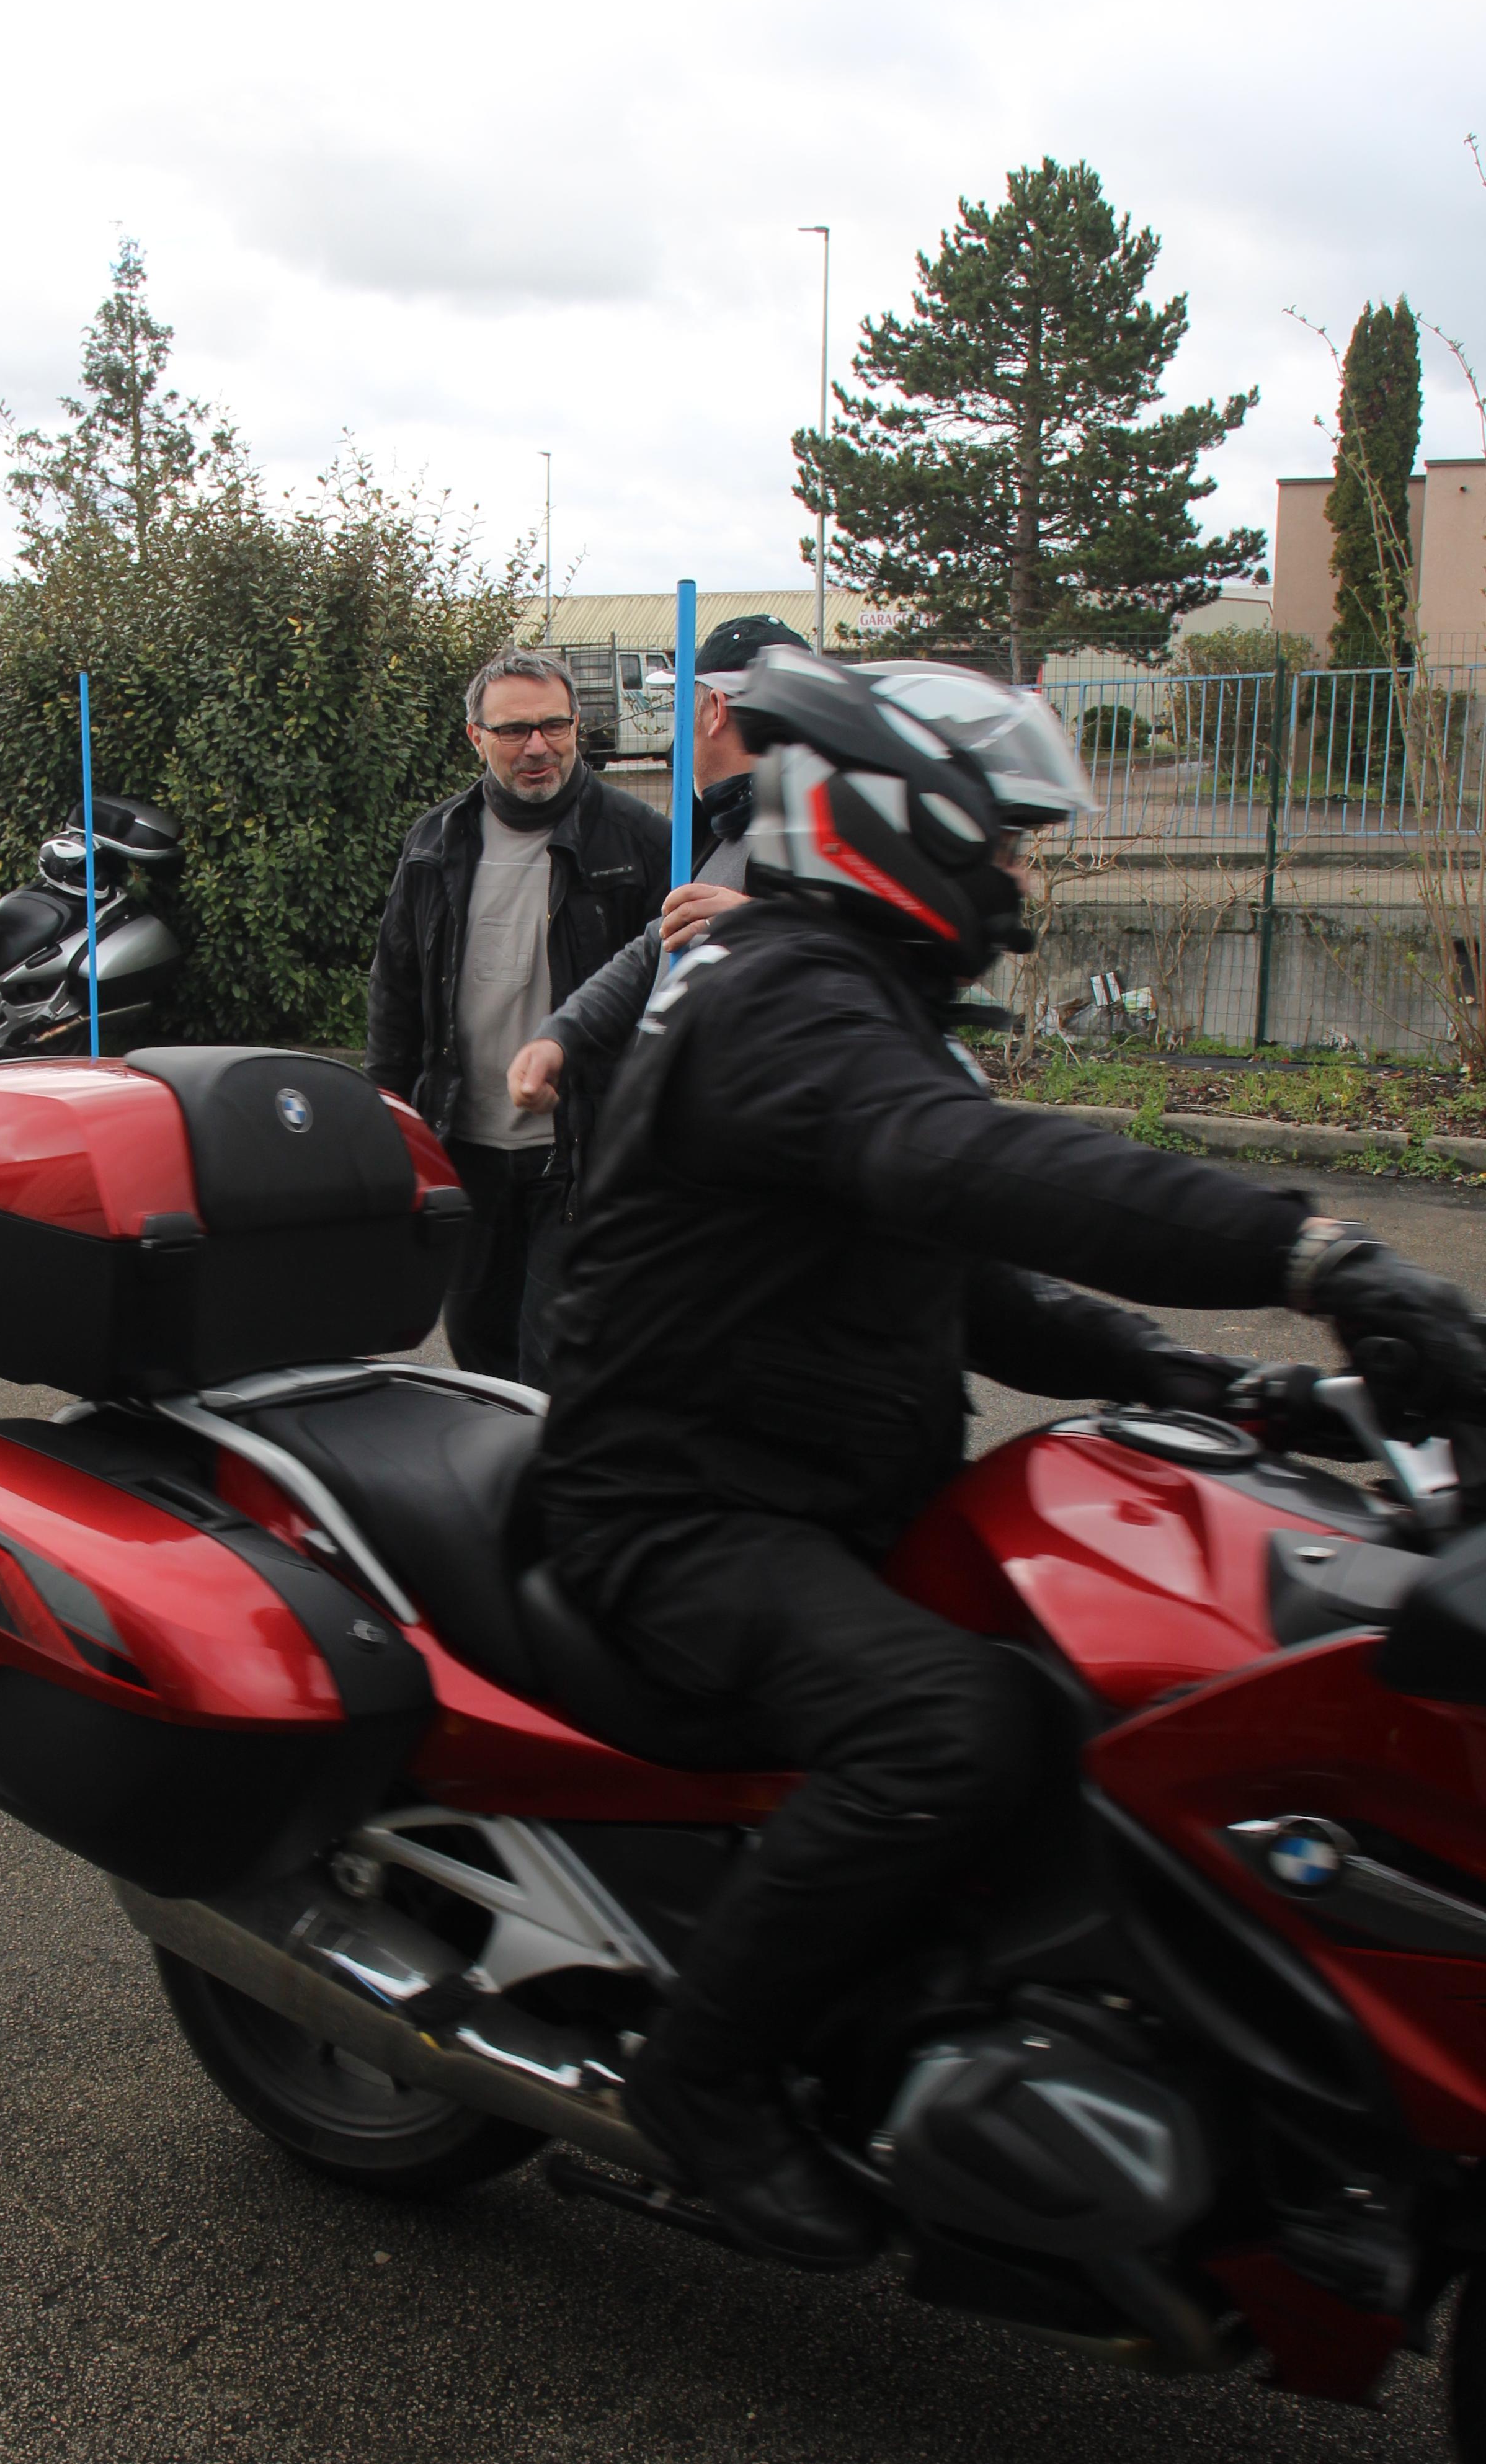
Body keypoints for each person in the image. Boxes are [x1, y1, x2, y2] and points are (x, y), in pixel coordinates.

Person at [533, 647, 1486, 2267]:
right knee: (951, 1728)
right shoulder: (778, 1002)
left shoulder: (848, 999)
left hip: (822, 1491)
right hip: (678, 1512)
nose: (1024, 880)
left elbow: (965, 1282)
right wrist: (1317, 1255)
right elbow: (970, 1167)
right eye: (1009, 843)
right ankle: (704, 2077)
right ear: (899, 824)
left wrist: (1215, 1381)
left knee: (1119, 1670)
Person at [365, 649, 667, 1385]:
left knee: (553, 1363)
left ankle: (550, 1460)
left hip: (580, 1155)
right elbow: (397, 992)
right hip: (465, 1147)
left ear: (577, 726)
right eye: (514, 731)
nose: (538, 746)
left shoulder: (639, 842)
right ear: (476, 737)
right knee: (478, 1345)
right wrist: (388, 1123)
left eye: (554, 726)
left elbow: (672, 999)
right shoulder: (435, 843)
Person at [505, 614, 803, 1137]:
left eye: (684, 706)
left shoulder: (810, 840)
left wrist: (761, 927)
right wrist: (561, 1036)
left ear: (714, 710)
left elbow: (867, 965)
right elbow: (659, 944)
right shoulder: (724, 825)